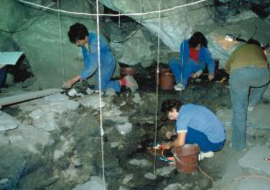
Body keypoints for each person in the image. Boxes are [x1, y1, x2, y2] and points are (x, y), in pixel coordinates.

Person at [63, 23, 138, 92]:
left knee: (100, 89)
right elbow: (87, 59)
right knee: (98, 88)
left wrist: (72, 80)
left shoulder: (94, 43)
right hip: (99, 64)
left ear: (85, 36)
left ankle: (125, 81)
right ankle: (116, 83)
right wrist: (83, 77)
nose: (77, 44)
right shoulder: (85, 42)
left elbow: (92, 66)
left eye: (78, 41)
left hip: (107, 64)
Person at [225, 39, 270, 151]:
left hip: (239, 74)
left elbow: (227, 67)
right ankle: (252, 102)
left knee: (239, 112)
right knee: (264, 80)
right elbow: (266, 65)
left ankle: (238, 146)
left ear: (247, 44)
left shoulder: (239, 49)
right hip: (261, 74)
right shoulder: (260, 50)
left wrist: (235, 75)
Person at [161, 99, 225, 160]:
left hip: (214, 144)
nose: (171, 119)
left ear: (173, 109)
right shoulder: (187, 107)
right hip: (219, 138)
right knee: (179, 126)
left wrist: (169, 144)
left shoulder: (182, 118)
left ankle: (205, 152)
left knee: (183, 134)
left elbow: (180, 143)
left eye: (170, 116)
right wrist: (173, 133)